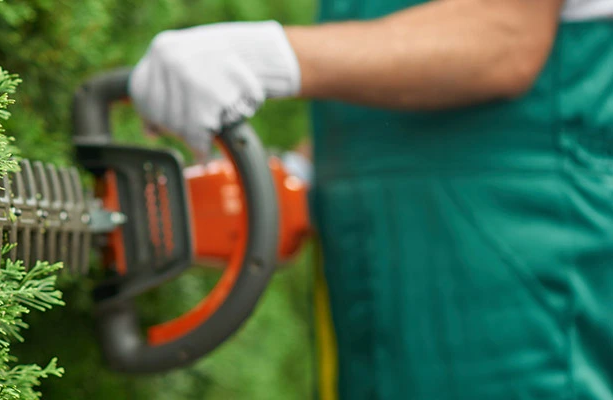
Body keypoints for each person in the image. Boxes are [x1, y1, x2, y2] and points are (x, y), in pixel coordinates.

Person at [127, 1, 613, 399]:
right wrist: (297, 180)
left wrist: (269, 53)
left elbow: (508, 35)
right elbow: (389, 82)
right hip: (379, 283)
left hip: (513, 279)